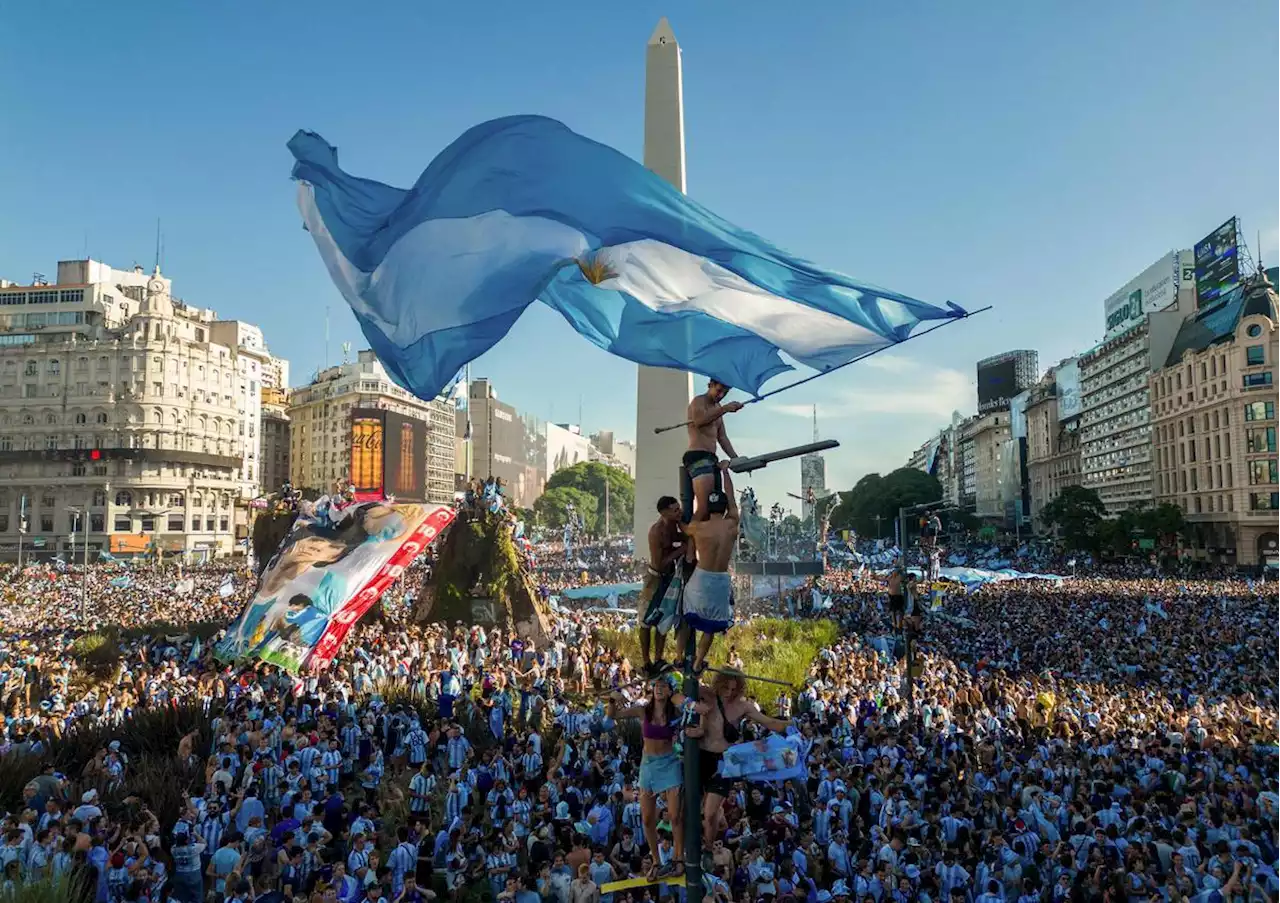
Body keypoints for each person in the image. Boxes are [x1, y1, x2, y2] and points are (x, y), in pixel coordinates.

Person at [687, 670, 792, 864]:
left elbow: (769, 722)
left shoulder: (743, 706)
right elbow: (683, 690)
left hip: (725, 762)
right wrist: (695, 672)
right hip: (701, 757)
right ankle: (690, 846)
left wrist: (792, 725)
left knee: (710, 813)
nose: (729, 692)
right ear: (719, 683)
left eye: (734, 689)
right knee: (692, 808)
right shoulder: (708, 694)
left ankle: (709, 849)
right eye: (726, 687)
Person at [606, 676, 687, 881]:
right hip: (648, 765)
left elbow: (691, 713)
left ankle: (678, 858)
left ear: (670, 691)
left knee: (675, 815)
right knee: (648, 818)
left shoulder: (676, 712)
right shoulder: (643, 710)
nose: (659, 689)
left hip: (670, 762)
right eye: (656, 685)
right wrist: (613, 699)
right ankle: (657, 860)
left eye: (664, 686)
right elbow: (613, 715)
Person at [680, 465, 739, 673]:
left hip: (701, 577)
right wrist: (725, 472)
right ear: (724, 509)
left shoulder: (698, 527)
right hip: (721, 580)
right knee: (711, 627)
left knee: (687, 613)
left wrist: (700, 504)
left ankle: (680, 655)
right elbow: (731, 498)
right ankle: (697, 662)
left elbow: (685, 527)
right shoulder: (732, 524)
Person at [636, 496, 687, 677]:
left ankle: (658, 658)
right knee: (645, 622)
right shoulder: (656, 532)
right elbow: (660, 562)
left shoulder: (673, 524)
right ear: (664, 513)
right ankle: (646, 661)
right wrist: (682, 549)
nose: (679, 512)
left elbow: (681, 537)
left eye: (679, 509)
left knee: (663, 620)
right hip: (655, 579)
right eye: (675, 510)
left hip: (668, 577)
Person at [683, 379, 742, 523]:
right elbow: (699, 421)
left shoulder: (719, 409)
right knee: (703, 508)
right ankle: (691, 544)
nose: (721, 395)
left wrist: (736, 458)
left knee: (715, 508)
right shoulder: (699, 401)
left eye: (725, 392)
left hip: (711, 458)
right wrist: (724, 409)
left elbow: (722, 437)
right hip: (698, 455)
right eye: (719, 390)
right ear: (710, 385)